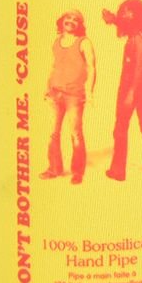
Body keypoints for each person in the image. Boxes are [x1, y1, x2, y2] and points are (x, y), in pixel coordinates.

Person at [102, 0, 142, 181]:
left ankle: (118, 170)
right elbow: (127, 26)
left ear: (136, 14)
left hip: (133, 84)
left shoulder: (138, 39)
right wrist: (113, 20)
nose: (124, 15)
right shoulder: (141, 31)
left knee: (121, 127)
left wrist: (130, 94)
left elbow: (139, 69)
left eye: (127, 12)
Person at [40, 10, 96, 185]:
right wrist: (47, 88)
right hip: (55, 92)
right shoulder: (57, 41)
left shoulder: (84, 42)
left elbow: (92, 67)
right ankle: (54, 169)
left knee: (75, 133)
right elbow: (54, 66)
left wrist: (89, 91)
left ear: (80, 25)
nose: (71, 21)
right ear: (62, 21)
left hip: (74, 95)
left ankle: (77, 172)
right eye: (68, 18)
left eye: (75, 19)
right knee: (53, 133)